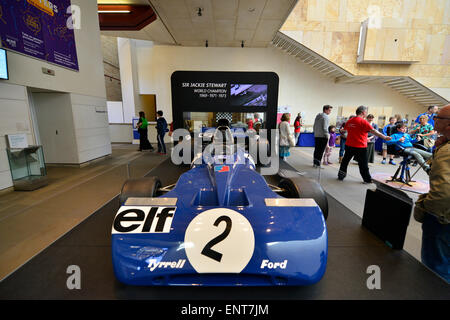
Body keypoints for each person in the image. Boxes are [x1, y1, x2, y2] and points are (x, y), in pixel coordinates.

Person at [413, 104, 449, 283]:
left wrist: (426, 210)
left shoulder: (447, 152)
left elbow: (442, 192)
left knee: (435, 271)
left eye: (438, 118)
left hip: (442, 220)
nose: (434, 119)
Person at [338, 106, 391, 183]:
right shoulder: (363, 122)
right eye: (366, 112)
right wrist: (385, 137)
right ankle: (367, 179)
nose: (366, 114)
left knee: (345, 161)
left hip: (349, 145)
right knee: (363, 164)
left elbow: (344, 130)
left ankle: (341, 175)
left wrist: (341, 131)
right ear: (363, 112)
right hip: (360, 146)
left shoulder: (350, 121)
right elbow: (374, 131)